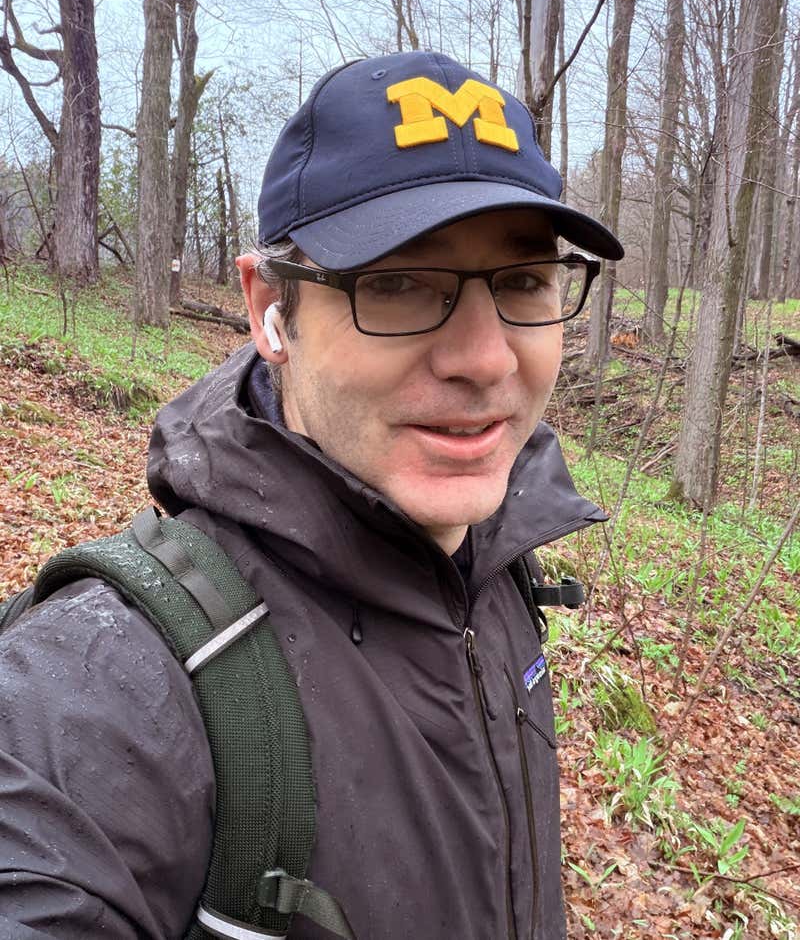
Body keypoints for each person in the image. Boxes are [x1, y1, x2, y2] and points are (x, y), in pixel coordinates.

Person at [0, 51, 622, 940]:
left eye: (523, 281)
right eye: (402, 284)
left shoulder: (497, 568)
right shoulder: (111, 684)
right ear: (270, 310)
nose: (487, 359)